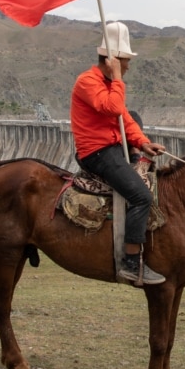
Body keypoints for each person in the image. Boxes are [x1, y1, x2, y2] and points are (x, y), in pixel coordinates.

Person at [70, 22, 167, 285]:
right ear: (112, 60)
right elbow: (112, 108)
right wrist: (117, 79)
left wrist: (143, 143)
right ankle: (131, 263)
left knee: (134, 116)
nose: (128, 66)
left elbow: (125, 119)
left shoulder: (108, 83)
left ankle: (136, 159)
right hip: (96, 152)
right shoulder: (88, 81)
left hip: (112, 147)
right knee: (140, 196)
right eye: (125, 61)